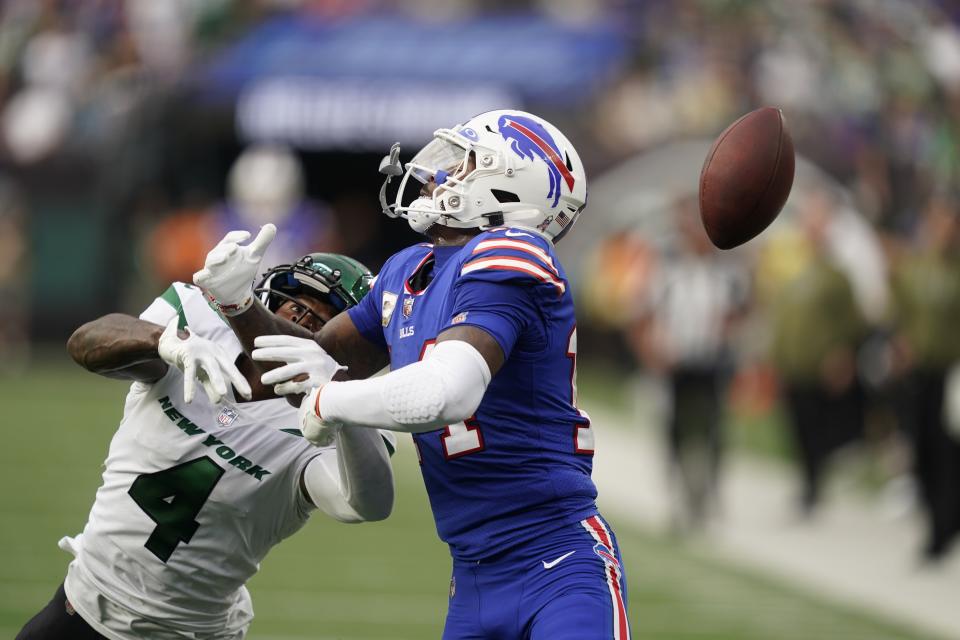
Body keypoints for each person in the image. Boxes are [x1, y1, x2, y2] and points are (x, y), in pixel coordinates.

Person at [194, 110, 632, 639]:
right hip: (471, 576)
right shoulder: (408, 269)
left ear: (510, 189)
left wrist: (329, 400)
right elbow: (291, 372)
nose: (443, 175)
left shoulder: (513, 253)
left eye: (466, 163)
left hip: (557, 559)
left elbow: (448, 391)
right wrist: (238, 304)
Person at [16, 253, 395, 640]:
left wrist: (337, 402)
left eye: (321, 322)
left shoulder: (338, 418)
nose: (297, 324)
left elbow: (365, 504)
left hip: (191, 630)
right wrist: (163, 341)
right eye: (292, 306)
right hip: (87, 597)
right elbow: (85, 343)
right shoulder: (199, 322)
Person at [628, 194, 749, 530]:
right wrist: (652, 354)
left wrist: (731, 338)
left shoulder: (727, 266)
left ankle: (709, 488)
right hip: (674, 362)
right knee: (674, 430)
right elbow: (640, 312)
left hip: (713, 361)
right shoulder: (664, 263)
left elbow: (741, 312)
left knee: (714, 427)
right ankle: (680, 494)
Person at [769, 190, 867, 516]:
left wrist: (841, 356)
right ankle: (806, 483)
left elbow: (850, 322)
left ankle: (815, 486)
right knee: (796, 428)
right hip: (792, 365)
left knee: (816, 428)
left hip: (818, 366)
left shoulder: (836, 276)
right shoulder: (794, 272)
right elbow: (782, 318)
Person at [889, 194, 960, 560]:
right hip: (921, 373)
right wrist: (902, 345)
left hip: (952, 372)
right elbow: (902, 313)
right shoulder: (917, 266)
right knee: (924, 450)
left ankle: (944, 529)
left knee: (949, 452)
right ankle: (936, 522)